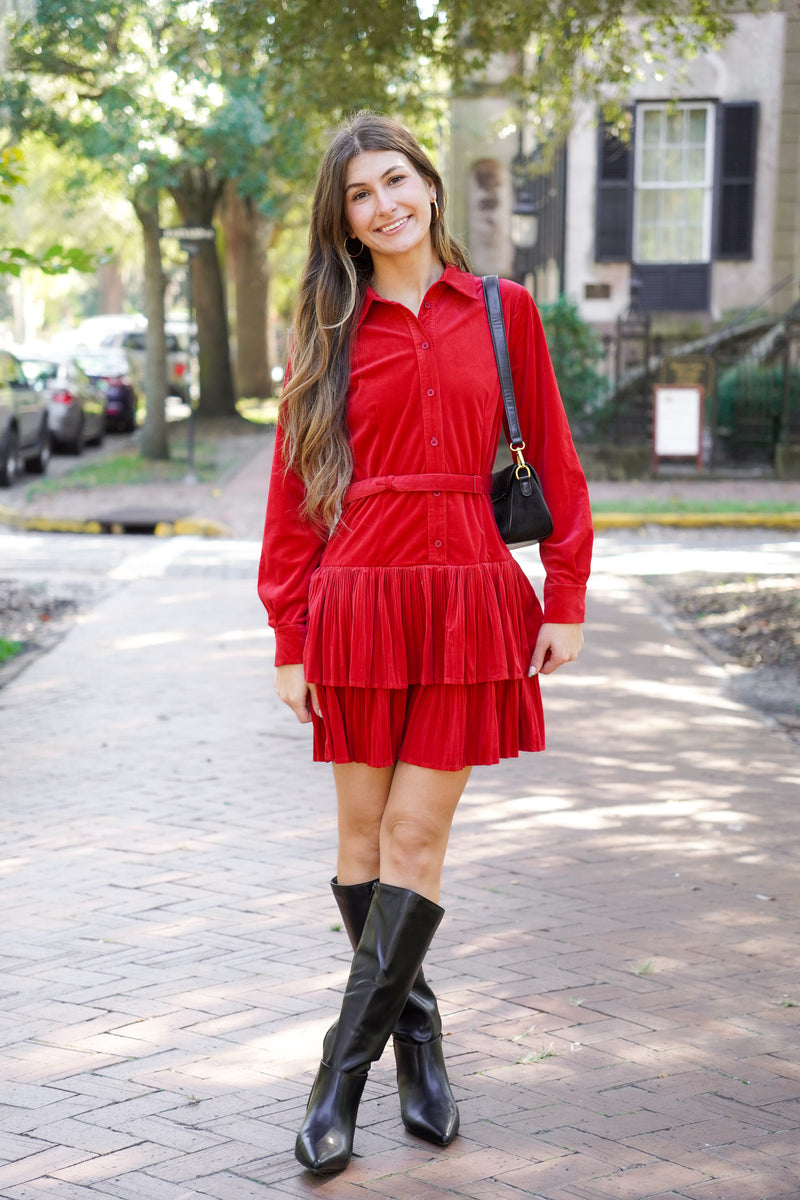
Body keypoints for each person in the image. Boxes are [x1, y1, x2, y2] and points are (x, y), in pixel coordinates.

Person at [258, 111, 593, 1176]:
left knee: (412, 836)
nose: (383, 205)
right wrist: (289, 634)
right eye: (359, 195)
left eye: (395, 181)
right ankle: (419, 1037)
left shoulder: (503, 311)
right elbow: (293, 494)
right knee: (360, 841)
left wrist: (566, 592)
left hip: (467, 602)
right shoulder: (327, 326)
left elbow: (553, 455)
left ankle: (335, 1085)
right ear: (345, 220)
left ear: (429, 186)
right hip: (357, 601)